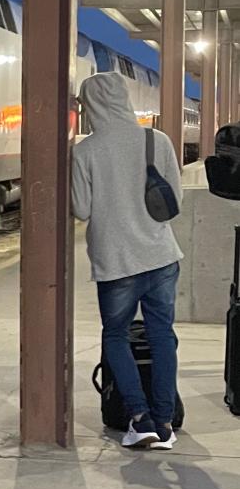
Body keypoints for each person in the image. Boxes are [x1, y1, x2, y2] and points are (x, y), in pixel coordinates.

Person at [71, 70, 183, 449]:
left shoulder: (85, 150)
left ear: (91, 106)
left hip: (117, 262)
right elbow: (175, 204)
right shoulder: (158, 140)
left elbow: (82, 210)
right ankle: (165, 423)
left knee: (116, 335)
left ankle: (140, 419)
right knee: (162, 335)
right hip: (161, 256)